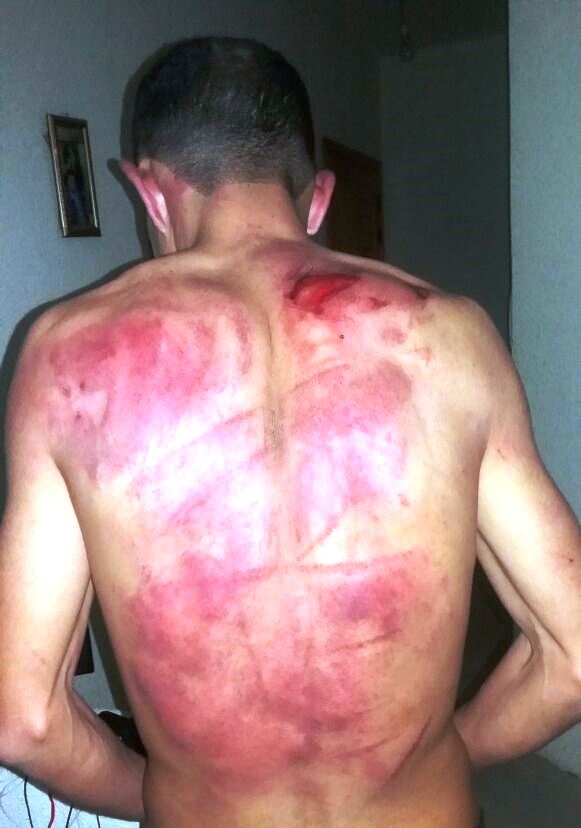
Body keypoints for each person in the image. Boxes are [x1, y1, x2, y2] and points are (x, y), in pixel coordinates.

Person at [0, 36, 579, 828]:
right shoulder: (451, 336)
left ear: (150, 192)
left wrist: (159, 794)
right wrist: (443, 755)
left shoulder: (65, 355)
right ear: (318, 198)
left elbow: (24, 719)